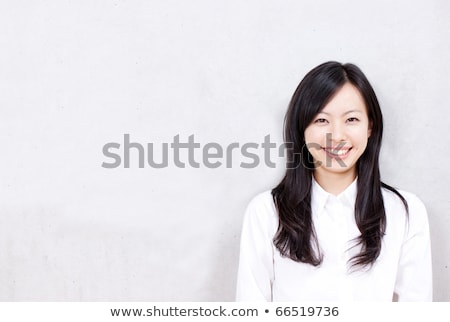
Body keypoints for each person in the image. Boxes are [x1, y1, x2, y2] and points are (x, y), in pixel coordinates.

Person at [235, 61, 432, 301]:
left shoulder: (405, 211)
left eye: (351, 120)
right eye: (321, 120)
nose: (337, 136)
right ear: (302, 129)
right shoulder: (266, 212)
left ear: (370, 126)